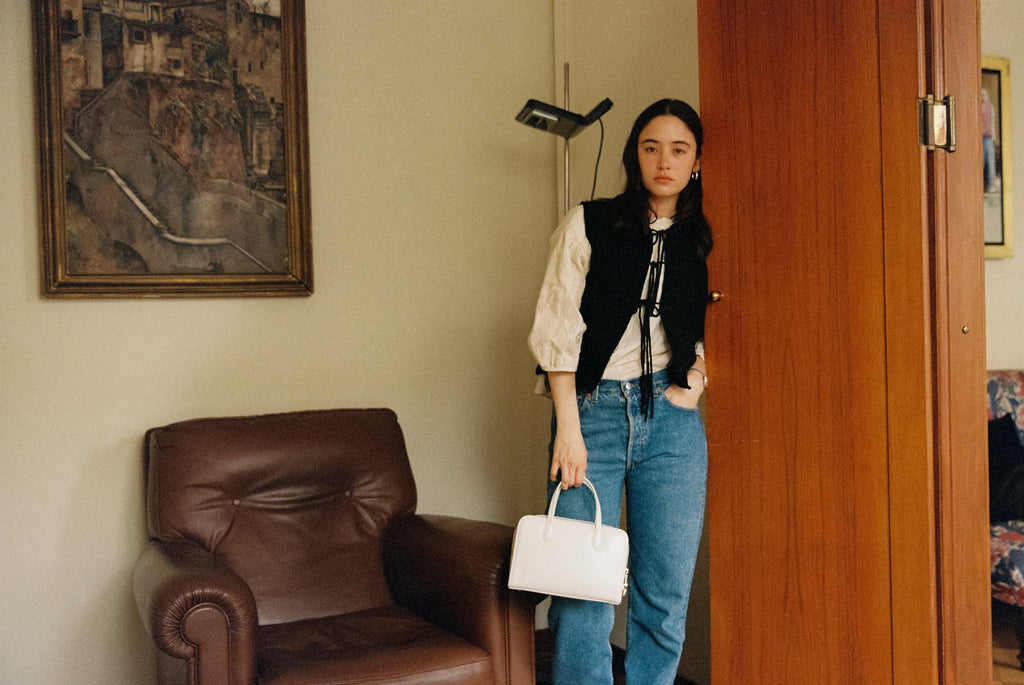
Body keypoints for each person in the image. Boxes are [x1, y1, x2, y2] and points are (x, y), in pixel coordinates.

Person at [527, 98, 711, 685]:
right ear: (636, 156)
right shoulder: (588, 222)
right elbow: (556, 330)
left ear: (696, 162)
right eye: (651, 148)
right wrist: (569, 430)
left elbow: (707, 317)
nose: (665, 161)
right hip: (592, 413)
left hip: (671, 420)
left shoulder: (700, 236)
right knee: (583, 590)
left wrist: (697, 378)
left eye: (679, 150)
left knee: (665, 591)